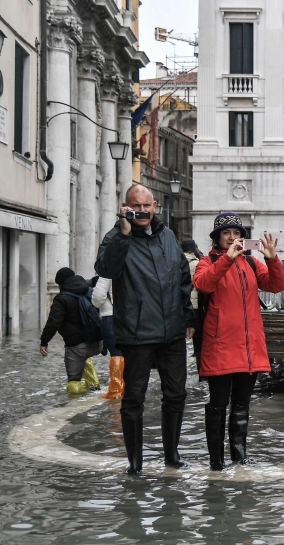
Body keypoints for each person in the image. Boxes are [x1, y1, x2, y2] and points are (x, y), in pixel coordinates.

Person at [95, 184, 194, 475]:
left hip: (172, 330)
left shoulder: (167, 236)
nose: (141, 211)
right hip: (137, 332)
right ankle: (135, 462)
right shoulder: (116, 237)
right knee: (133, 398)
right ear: (125, 206)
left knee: (176, 394)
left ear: (155, 206)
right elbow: (106, 270)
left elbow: (182, 278)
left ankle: (172, 455)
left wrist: (187, 317)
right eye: (135, 206)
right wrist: (123, 234)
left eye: (146, 205)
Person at [194, 213, 284, 470]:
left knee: (242, 404)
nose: (232, 238)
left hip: (249, 348)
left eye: (237, 234)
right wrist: (227, 259)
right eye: (227, 233)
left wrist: (271, 259)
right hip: (221, 346)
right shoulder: (207, 261)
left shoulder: (253, 264)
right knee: (217, 404)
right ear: (218, 238)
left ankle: (239, 455)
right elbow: (203, 284)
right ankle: (216, 460)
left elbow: (276, 285)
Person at [40, 267, 102, 395]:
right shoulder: (90, 291)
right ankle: (95, 388)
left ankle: (77, 408)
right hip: (98, 342)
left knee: (74, 381)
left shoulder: (61, 299)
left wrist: (44, 341)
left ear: (61, 283)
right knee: (85, 358)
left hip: (76, 346)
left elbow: (53, 322)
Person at [91, 275, 123, 399]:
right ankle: (127, 386)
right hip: (131, 317)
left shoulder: (107, 272)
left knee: (116, 353)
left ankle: (116, 390)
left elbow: (97, 297)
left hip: (110, 316)